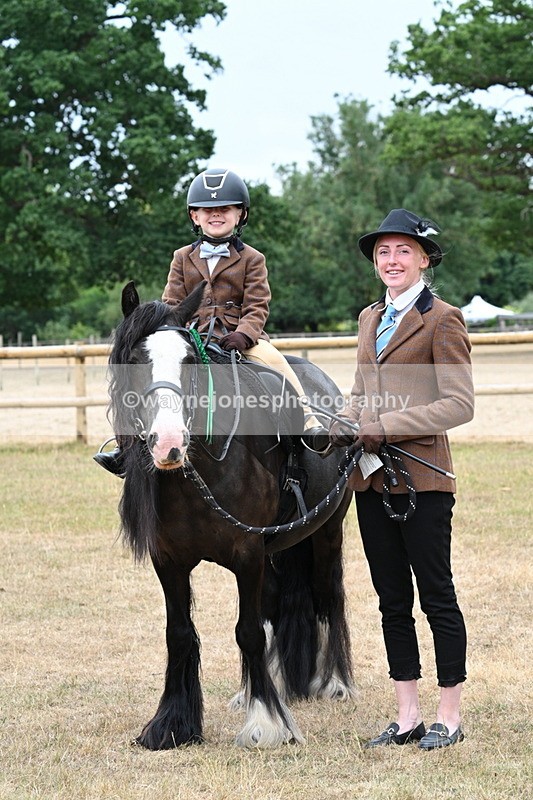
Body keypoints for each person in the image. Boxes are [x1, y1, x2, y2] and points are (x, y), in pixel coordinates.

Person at [328, 209, 474, 751]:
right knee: (392, 599)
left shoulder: (444, 320)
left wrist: (385, 426)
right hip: (370, 482)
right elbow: (361, 389)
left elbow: (459, 404)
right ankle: (407, 713)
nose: (392, 260)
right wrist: (344, 418)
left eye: (403, 251)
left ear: (424, 259)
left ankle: (449, 715)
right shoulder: (369, 318)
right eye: (383, 253)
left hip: (424, 480)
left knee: (437, 596)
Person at [94, 168, 329, 474]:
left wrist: (244, 335)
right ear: (195, 216)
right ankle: (127, 447)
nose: (216, 215)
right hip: (192, 336)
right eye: (208, 211)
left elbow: (258, 305)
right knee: (155, 377)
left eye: (224, 210)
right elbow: (173, 303)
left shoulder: (253, 259)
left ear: (240, 215)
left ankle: (308, 422)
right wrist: (176, 332)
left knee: (276, 363)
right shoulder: (181, 257)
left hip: (240, 339)